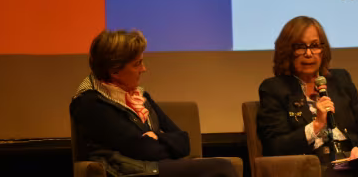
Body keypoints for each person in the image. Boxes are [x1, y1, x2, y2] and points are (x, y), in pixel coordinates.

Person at [70, 30, 238, 177]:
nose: (144, 69)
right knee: (220, 167)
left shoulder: (141, 96)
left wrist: (157, 137)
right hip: (128, 172)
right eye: (137, 64)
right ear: (114, 71)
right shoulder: (91, 103)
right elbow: (143, 150)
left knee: (221, 166)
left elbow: (184, 141)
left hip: (153, 167)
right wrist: (162, 143)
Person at [256, 16, 358, 176]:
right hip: (317, 164)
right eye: (300, 47)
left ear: (323, 50)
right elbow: (274, 146)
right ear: (287, 51)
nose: (309, 54)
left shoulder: (341, 79)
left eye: (315, 46)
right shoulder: (274, 88)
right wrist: (316, 125)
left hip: (353, 160)